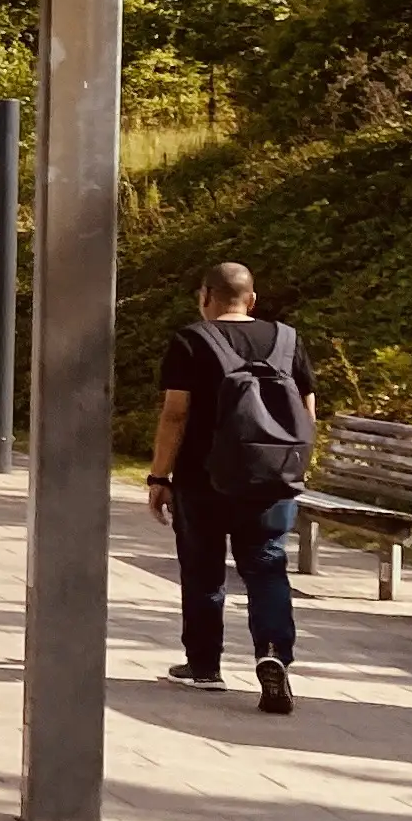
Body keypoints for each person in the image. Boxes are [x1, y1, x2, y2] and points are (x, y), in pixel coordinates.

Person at [145, 261, 312, 715]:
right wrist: (290, 468)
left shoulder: (191, 340)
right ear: (252, 299)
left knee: (203, 572)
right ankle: (273, 654)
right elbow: (307, 411)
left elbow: (175, 414)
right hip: (270, 481)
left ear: (206, 297)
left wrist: (160, 476)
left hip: (204, 480)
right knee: (267, 568)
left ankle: (204, 668)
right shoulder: (288, 340)